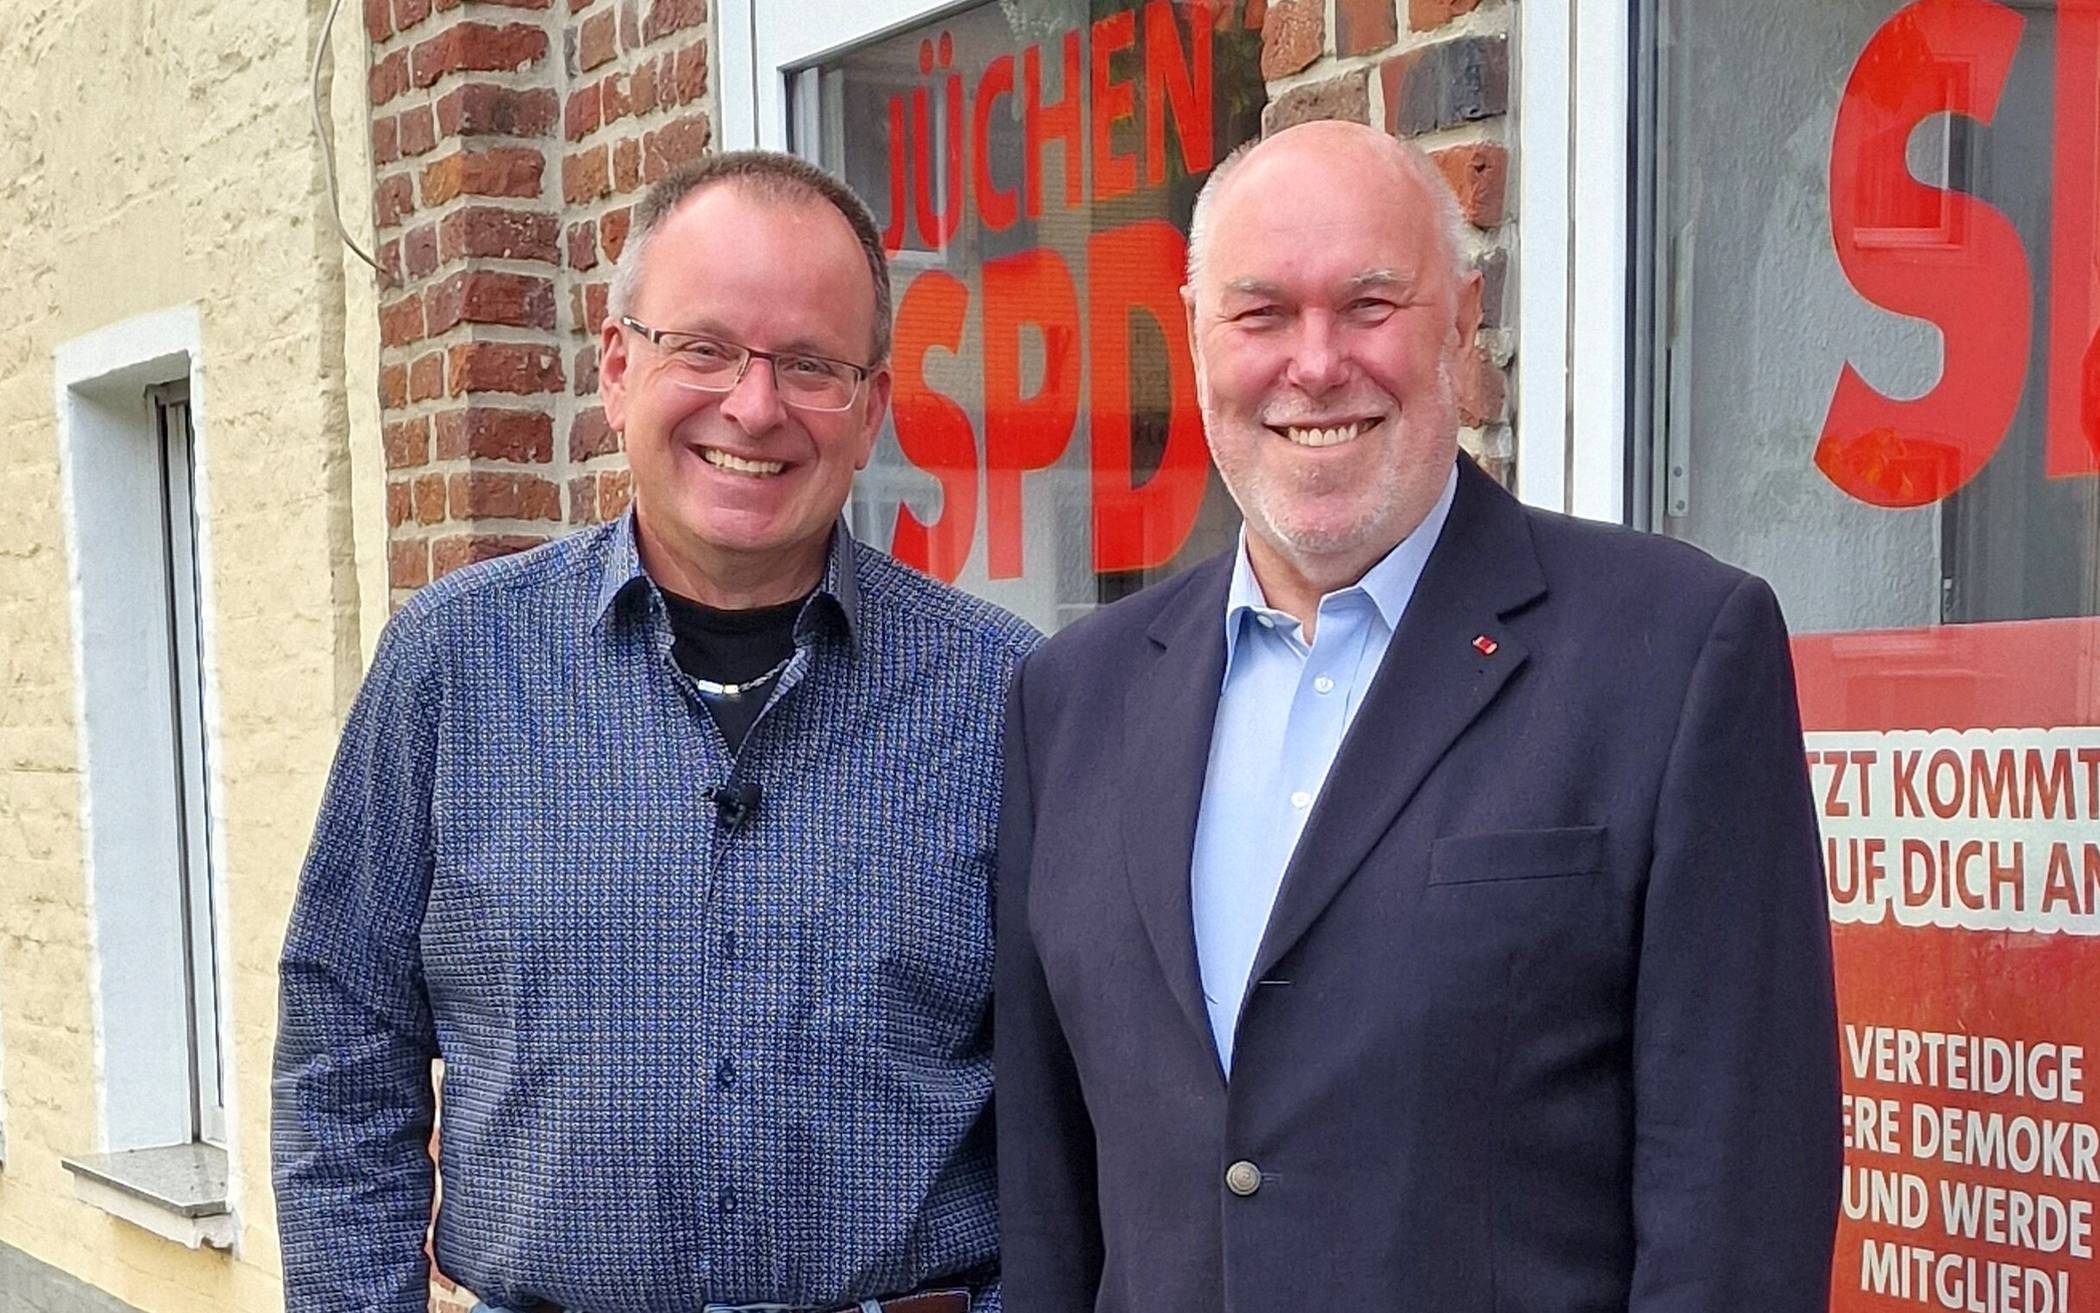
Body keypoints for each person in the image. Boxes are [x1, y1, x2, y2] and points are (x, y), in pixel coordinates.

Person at [995, 119, 1841, 1311]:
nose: (1317, 361)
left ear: (1459, 318)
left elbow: (1737, 1210)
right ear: (1194, 342)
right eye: (1260, 314)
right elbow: (1049, 1207)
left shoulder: (1675, 652)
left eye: (1370, 302)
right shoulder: (1070, 700)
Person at [274, 151, 1032, 1313]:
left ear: (872, 408)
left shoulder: (1001, 695)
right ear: (620, 366)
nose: (755, 404)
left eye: (811, 365)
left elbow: (1081, 1091)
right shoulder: (454, 663)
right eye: (707, 347)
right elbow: (344, 1037)